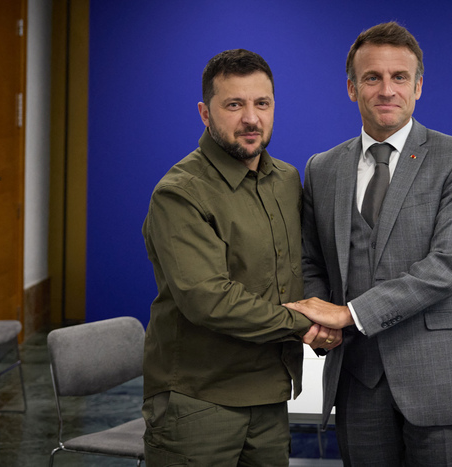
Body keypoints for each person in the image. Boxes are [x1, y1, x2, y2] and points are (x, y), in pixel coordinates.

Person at [285, 22, 452, 466]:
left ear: (418, 86)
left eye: (399, 77)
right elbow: (311, 261)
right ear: (351, 88)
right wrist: (323, 323)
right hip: (357, 381)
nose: (386, 89)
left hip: (440, 379)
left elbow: (448, 267)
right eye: (372, 77)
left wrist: (349, 314)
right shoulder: (322, 169)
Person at [141, 48, 341, 466]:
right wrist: (307, 324)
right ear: (205, 113)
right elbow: (208, 299)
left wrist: (333, 314)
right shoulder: (180, 193)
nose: (251, 118)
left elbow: (301, 268)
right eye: (234, 105)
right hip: (199, 399)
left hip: (270, 393)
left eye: (262, 103)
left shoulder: (286, 180)